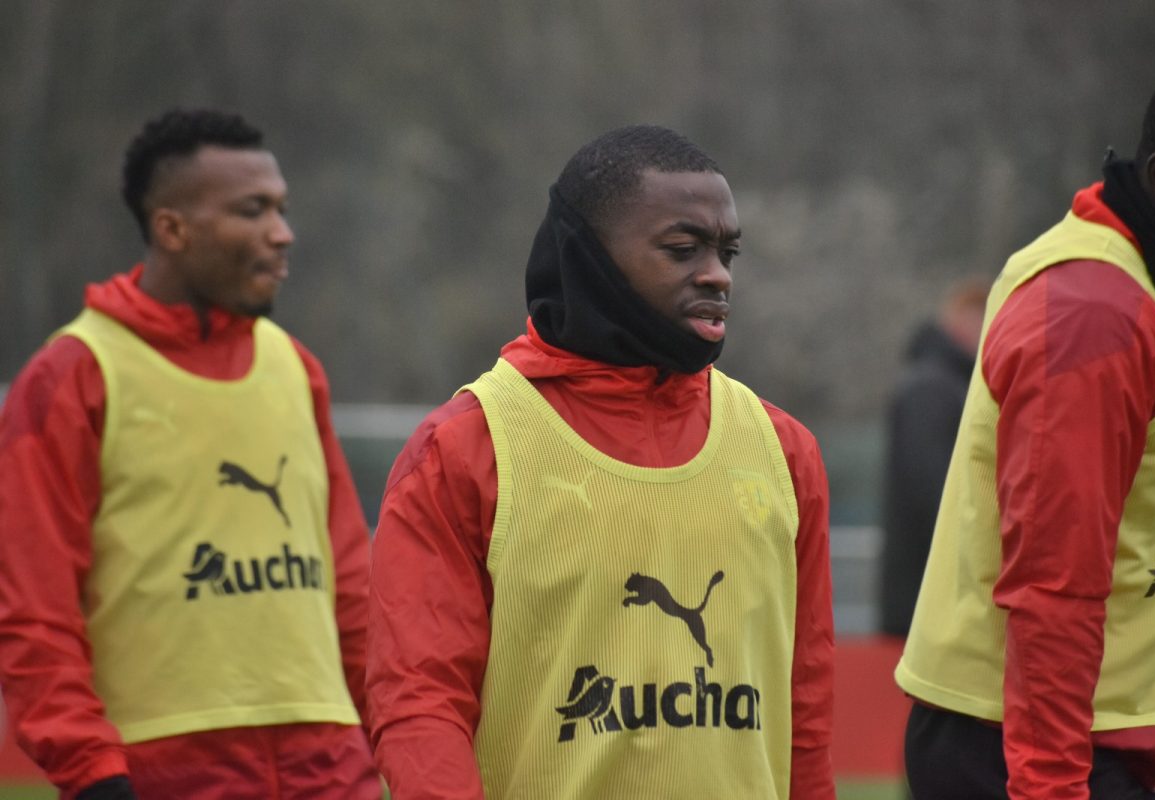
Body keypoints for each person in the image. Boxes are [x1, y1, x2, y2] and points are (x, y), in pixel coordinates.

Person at [366, 125, 835, 799]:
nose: (718, 274)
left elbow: (806, 708)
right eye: (683, 249)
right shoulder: (464, 451)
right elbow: (417, 703)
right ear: (589, 256)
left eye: (728, 251)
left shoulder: (784, 450)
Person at [0, 109, 380, 799]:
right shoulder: (74, 375)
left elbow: (350, 582)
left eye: (282, 209)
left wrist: (387, 728)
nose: (281, 232)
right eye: (252, 210)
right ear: (172, 229)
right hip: (163, 771)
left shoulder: (295, 367)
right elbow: (33, 607)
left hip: (329, 767)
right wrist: (89, 771)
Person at [895, 60, 1155, 799]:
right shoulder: (1094, 314)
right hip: (1027, 748)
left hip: (1101, 740)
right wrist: (1052, 786)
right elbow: (1053, 586)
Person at [877, 277, 987, 638]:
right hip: (925, 599)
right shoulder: (934, 388)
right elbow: (932, 491)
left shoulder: (942, 383)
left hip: (923, 595)